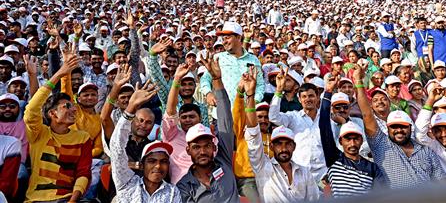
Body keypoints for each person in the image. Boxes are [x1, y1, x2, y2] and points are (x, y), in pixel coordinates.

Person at [353, 64, 446, 188]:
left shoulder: (426, 151)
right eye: (394, 127)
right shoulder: (381, 145)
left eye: (402, 126)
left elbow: (443, 182)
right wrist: (358, 81)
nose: (399, 130)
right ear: (388, 128)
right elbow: (366, 114)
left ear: (410, 127)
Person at [24, 51, 93, 203]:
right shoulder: (38, 133)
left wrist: (73, 201)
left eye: (73, 106)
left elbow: (83, 173)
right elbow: (31, 110)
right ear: (52, 113)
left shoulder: (82, 138)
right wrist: (59, 73)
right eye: (66, 106)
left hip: (68, 198)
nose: (74, 109)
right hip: (36, 200)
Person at [243, 68, 320, 202]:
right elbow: (255, 135)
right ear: (271, 146)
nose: (283, 148)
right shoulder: (263, 167)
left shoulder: (304, 173)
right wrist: (276, 91)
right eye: (278, 144)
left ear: (294, 146)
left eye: (287, 144)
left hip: (319, 174)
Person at [176, 56, 239, 202]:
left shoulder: (224, 160)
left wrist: (217, 80)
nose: (203, 151)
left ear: (214, 147)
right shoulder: (184, 186)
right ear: (188, 150)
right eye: (196, 147)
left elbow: (225, 121)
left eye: (207, 146)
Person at [110, 81, 182, 202]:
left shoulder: (172, 192)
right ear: (142, 165)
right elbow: (116, 147)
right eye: (152, 161)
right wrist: (131, 107)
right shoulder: (127, 183)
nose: (158, 166)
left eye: (163, 161)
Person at [319, 75, 383, 197]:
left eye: (356, 138)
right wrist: (327, 92)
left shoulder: (372, 168)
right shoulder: (333, 158)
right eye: (348, 139)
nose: (352, 143)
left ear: (361, 140)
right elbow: (323, 125)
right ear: (341, 141)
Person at [269, 69, 325, 183]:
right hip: (298, 174)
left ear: (318, 97)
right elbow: (273, 117)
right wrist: (279, 90)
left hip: (323, 175)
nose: (308, 99)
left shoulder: (327, 119)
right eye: (304, 97)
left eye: (311, 96)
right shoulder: (293, 117)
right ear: (299, 99)